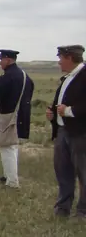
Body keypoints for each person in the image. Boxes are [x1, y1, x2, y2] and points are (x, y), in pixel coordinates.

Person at [0, 49, 34, 189]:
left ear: (8, 59)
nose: (0, 62)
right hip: (22, 115)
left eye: (1, 60)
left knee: (7, 147)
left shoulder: (6, 77)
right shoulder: (25, 76)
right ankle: (9, 175)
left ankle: (12, 181)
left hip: (8, 115)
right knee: (12, 147)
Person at [48, 44, 86, 219]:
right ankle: (63, 207)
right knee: (63, 171)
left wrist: (69, 111)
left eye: (60, 58)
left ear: (70, 58)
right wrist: (53, 114)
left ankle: (83, 211)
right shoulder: (67, 78)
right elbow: (61, 102)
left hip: (80, 133)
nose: (59, 62)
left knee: (83, 172)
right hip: (63, 131)